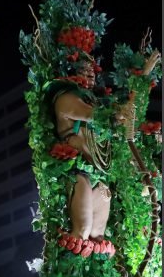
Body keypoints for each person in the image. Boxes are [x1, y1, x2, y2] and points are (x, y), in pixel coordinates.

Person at [51, 51, 160, 256]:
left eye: (92, 70)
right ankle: (67, 272)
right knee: (82, 232)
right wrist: (117, 114)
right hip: (77, 172)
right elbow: (93, 115)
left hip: (99, 174)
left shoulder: (100, 104)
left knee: (98, 238)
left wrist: (144, 76)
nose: (90, 73)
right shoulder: (65, 99)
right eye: (84, 69)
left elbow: (128, 113)